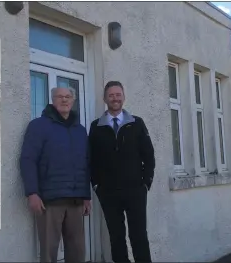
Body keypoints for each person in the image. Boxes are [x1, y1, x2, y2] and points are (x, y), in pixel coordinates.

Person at [20, 87, 91, 263]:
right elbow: (27, 160)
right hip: (49, 202)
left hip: (75, 201)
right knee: (49, 253)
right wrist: (32, 193)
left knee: (77, 252)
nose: (64, 100)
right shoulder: (38, 126)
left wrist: (86, 196)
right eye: (60, 97)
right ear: (52, 100)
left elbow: (85, 164)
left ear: (73, 101)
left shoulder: (80, 131)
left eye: (68, 97)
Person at [89, 81, 155, 263]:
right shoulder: (96, 127)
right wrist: (96, 185)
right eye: (111, 95)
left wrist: (146, 183)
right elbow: (91, 159)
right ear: (105, 99)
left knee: (139, 237)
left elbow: (149, 155)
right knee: (116, 239)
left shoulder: (137, 123)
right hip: (108, 193)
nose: (115, 98)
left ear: (124, 97)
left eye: (118, 95)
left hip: (135, 191)